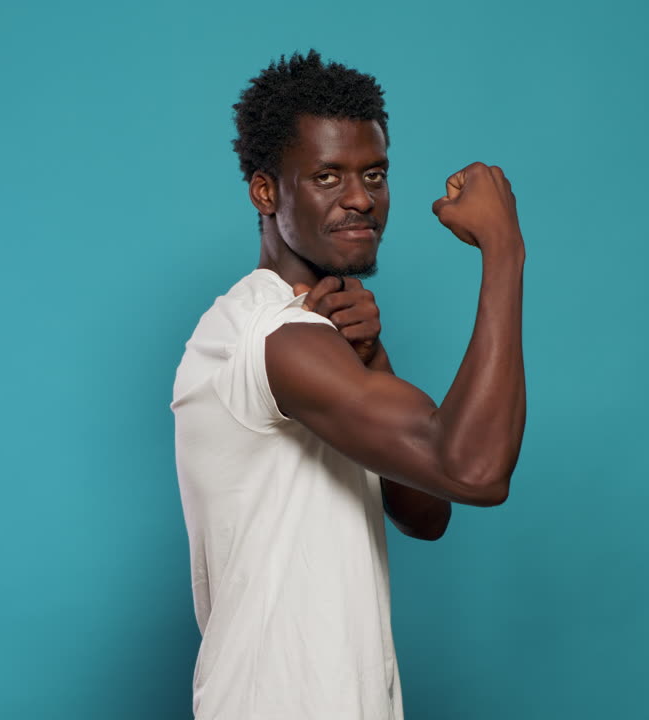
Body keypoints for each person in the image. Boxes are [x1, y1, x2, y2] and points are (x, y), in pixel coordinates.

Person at [171, 50, 527, 719]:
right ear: (266, 191)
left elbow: (428, 512)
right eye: (327, 175)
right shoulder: (274, 338)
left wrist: (372, 358)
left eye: (374, 174)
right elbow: (475, 472)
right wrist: (504, 252)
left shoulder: (312, 339)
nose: (361, 197)